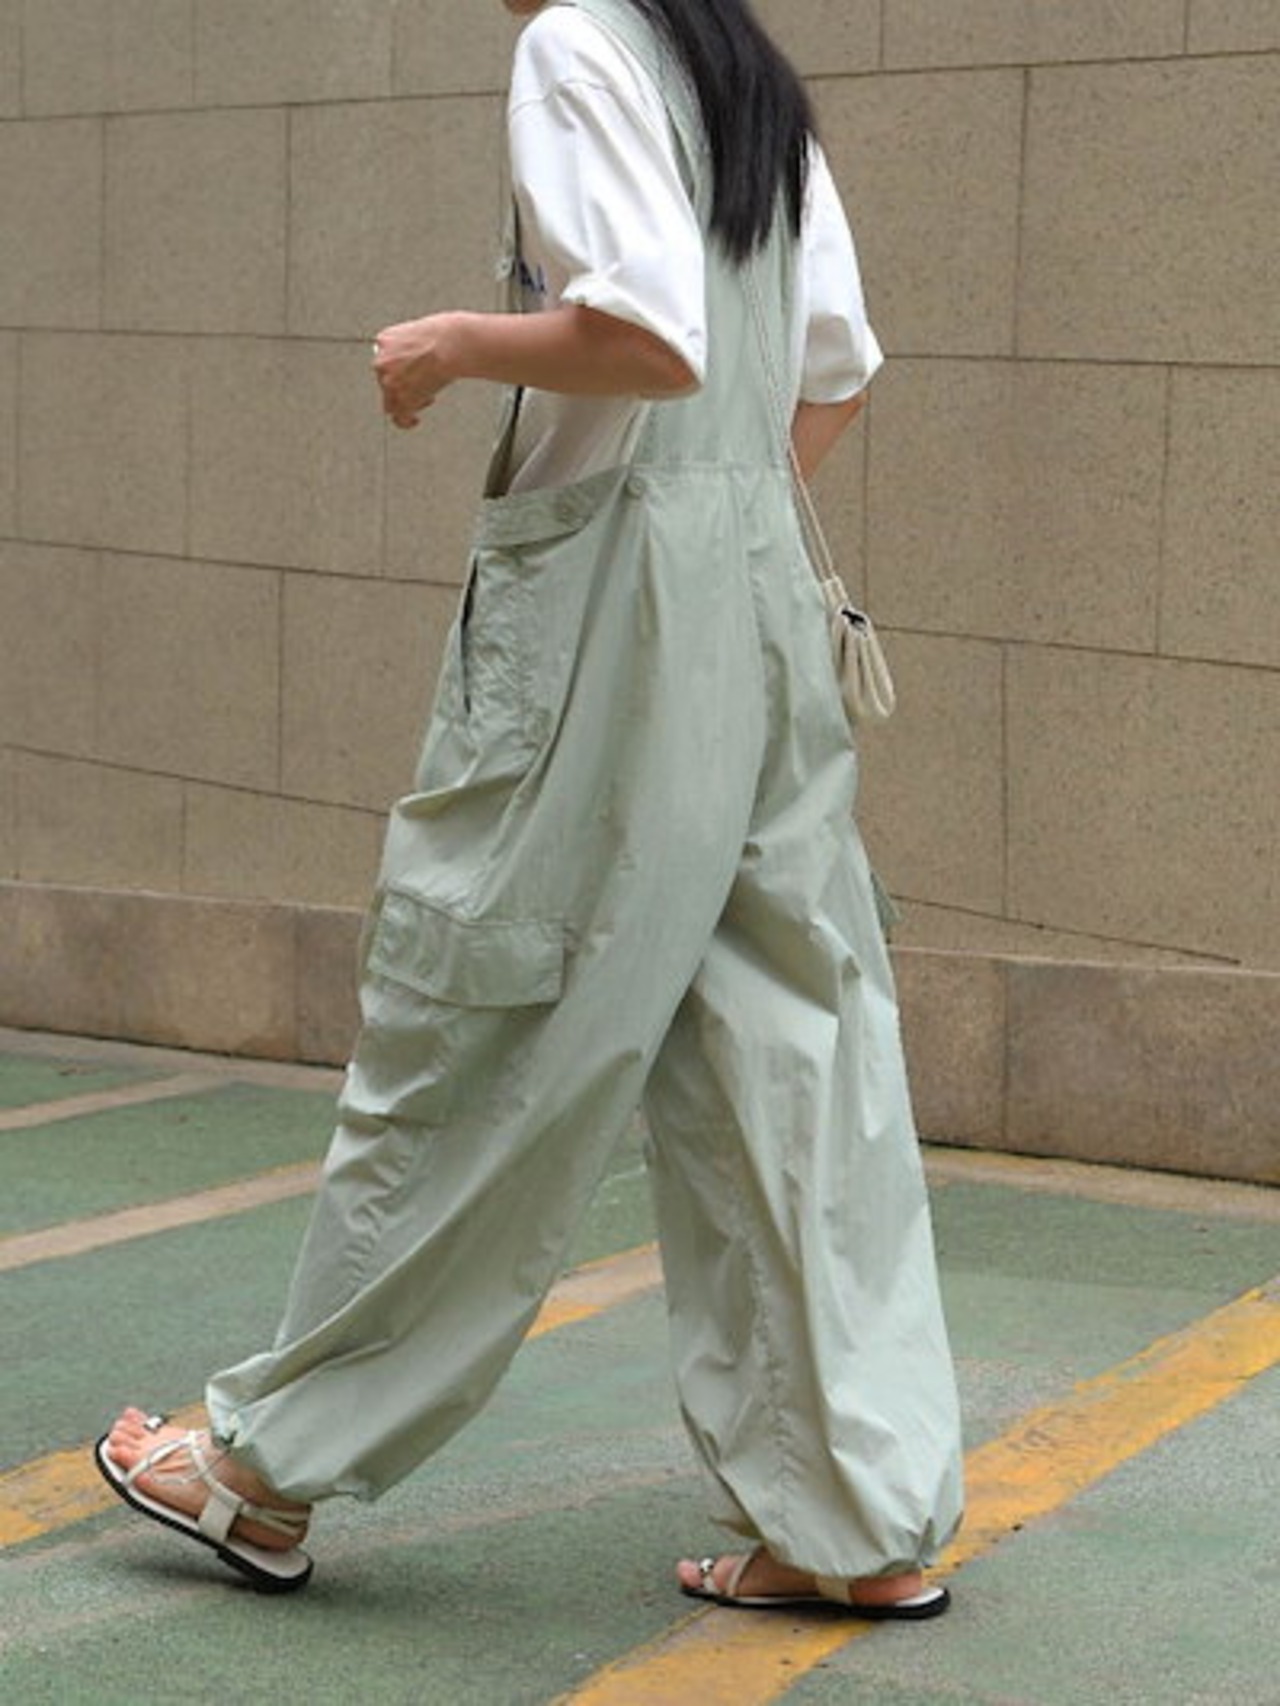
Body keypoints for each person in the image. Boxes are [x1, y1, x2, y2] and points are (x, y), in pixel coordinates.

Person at [98, 0, 964, 1615]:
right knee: (794, 1053)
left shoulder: (574, 42)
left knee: (482, 1013)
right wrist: (722, 524)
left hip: (615, 611)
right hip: (763, 598)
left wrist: (451, 343)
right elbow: (835, 364)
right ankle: (850, 1520)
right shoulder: (742, 76)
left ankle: (262, 1468)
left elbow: (650, 333)